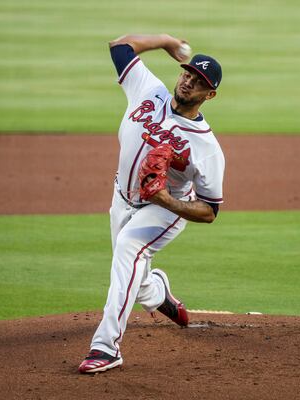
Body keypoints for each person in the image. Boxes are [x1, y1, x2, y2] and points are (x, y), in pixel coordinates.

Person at [78, 34, 225, 374]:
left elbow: (210, 211)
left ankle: (105, 346)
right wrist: (166, 41)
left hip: (163, 209)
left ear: (209, 95)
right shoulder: (149, 88)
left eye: (199, 82)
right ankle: (157, 293)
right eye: (188, 74)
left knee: (129, 248)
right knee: (133, 273)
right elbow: (119, 46)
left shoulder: (207, 149)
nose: (189, 82)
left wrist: (165, 199)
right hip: (121, 197)